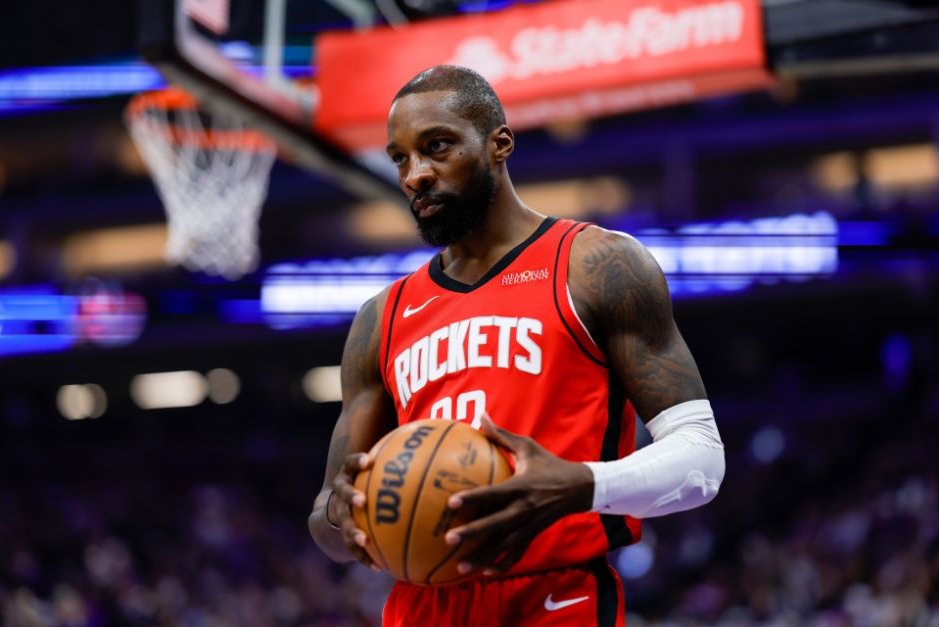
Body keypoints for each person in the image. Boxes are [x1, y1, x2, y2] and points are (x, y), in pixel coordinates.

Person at [309, 65, 725, 626]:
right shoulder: (381, 317)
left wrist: (581, 486)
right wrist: (345, 518)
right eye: (400, 159)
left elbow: (702, 458)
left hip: (554, 598)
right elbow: (325, 515)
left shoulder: (596, 265)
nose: (415, 175)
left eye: (437, 147)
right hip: (421, 605)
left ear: (499, 144)